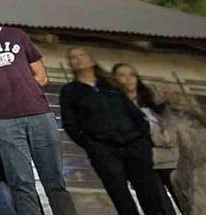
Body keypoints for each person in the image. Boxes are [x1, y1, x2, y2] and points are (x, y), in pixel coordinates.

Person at [0, 0, 75, 215]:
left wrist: (25, 93)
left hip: (38, 115)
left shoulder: (16, 35)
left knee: (54, 180)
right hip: (3, 122)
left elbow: (41, 75)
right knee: (21, 183)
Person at [59, 49, 164, 215]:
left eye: (82, 55)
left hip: (134, 143)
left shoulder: (111, 85)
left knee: (150, 194)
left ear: (92, 59)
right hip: (103, 149)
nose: (77, 59)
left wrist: (143, 140)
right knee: (120, 195)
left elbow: (134, 113)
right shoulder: (70, 91)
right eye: (73, 57)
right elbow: (70, 123)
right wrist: (92, 145)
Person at [112, 63, 203, 214]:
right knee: (160, 208)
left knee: (187, 204)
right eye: (122, 75)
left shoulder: (152, 102)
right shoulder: (115, 107)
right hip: (143, 164)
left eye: (131, 74)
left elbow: (170, 133)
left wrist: (156, 135)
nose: (128, 79)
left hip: (170, 160)